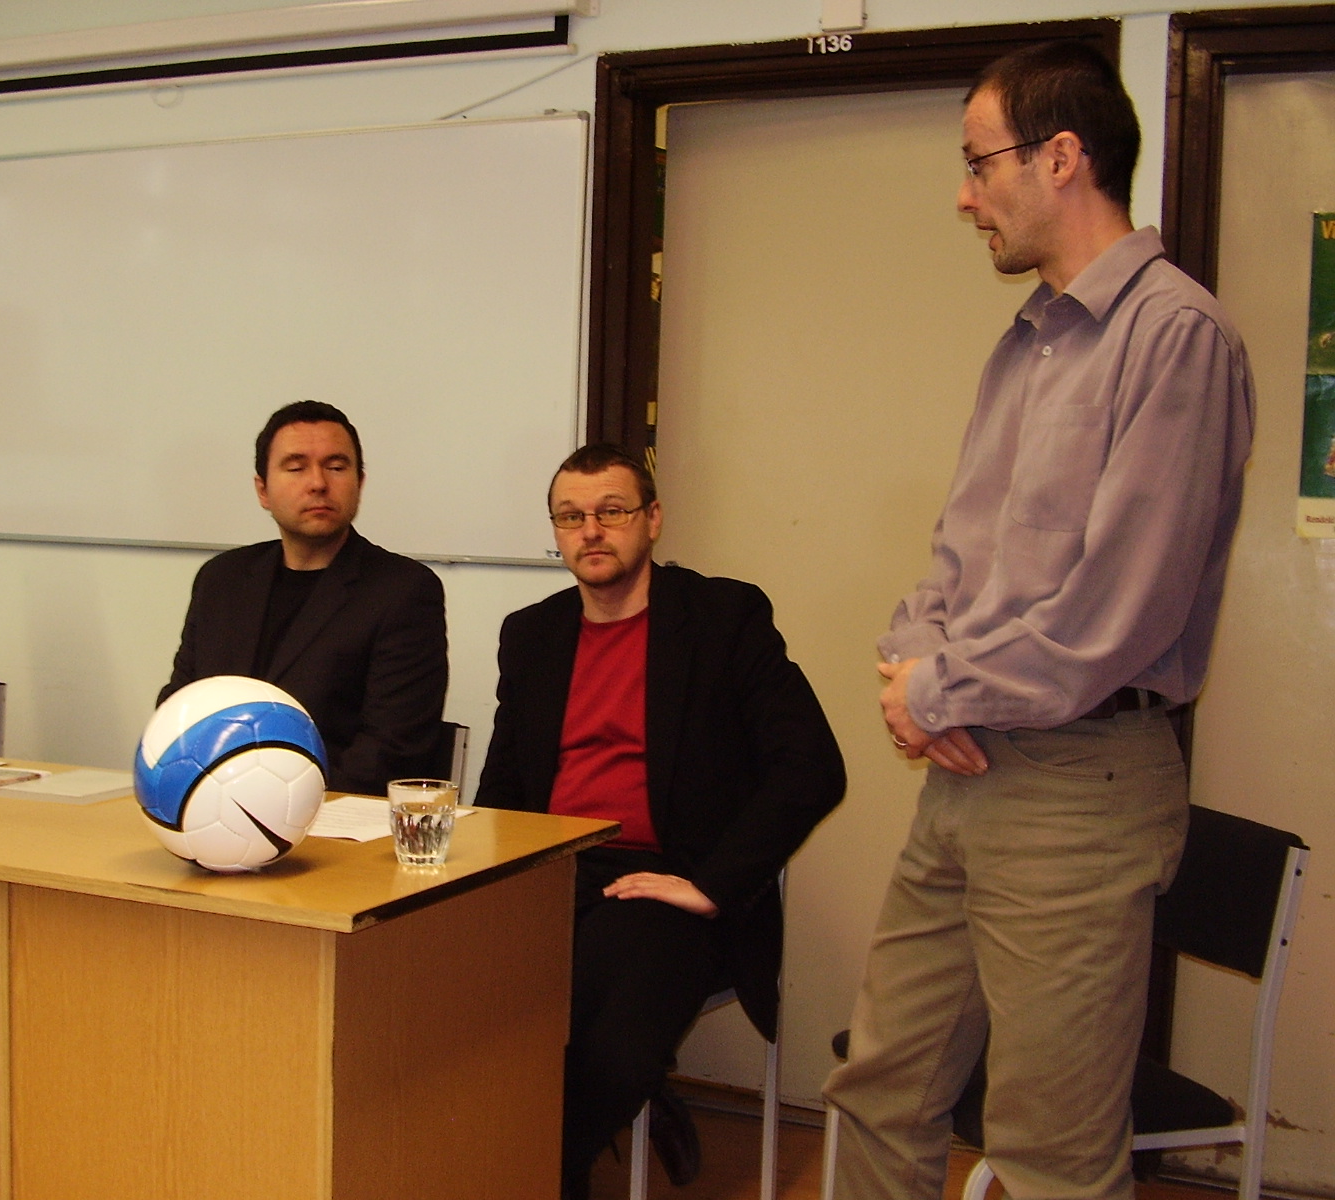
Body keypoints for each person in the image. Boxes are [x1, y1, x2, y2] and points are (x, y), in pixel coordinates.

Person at [823, 41, 1255, 1200]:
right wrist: (914, 666)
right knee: (879, 1089)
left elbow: (1118, 612)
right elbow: (957, 563)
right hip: (967, 769)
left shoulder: (1175, 337)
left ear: (1061, 157)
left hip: (1076, 787)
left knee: (1047, 1151)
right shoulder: (1026, 342)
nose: (964, 196)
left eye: (979, 163)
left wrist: (933, 691)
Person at [476, 443, 846, 1200]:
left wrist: (711, 885)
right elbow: (505, 789)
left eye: (611, 511)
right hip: (557, 872)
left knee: (602, 1035)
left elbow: (811, 766)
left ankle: (533, 1172)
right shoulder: (533, 633)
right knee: (458, 1003)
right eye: (571, 517)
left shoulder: (722, 618)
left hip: (668, 879)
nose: (591, 531)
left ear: (653, 520)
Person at [160, 400, 448, 797]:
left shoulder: (403, 590)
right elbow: (180, 709)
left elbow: (391, 749)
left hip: (333, 812)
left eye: (336, 467)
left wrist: (280, 808)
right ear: (263, 490)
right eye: (296, 468)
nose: (317, 483)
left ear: (360, 483)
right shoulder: (222, 579)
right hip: (209, 808)